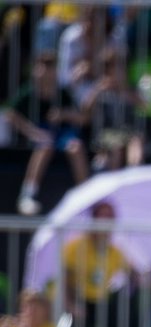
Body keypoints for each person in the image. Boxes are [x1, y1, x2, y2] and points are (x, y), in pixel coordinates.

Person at [4, 50, 89, 215]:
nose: (45, 71)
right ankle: (27, 195)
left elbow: (82, 118)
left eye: (50, 67)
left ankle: (86, 196)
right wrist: (33, 132)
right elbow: (10, 114)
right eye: (42, 66)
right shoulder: (29, 92)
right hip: (40, 137)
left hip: (62, 134)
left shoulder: (62, 92)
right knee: (45, 145)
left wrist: (64, 114)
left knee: (76, 147)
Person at [61, 200, 131, 327]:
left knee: (124, 322)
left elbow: (131, 272)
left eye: (110, 217)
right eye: (103, 216)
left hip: (101, 301)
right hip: (78, 300)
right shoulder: (76, 246)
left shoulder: (114, 250)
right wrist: (71, 305)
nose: (107, 221)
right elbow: (64, 280)